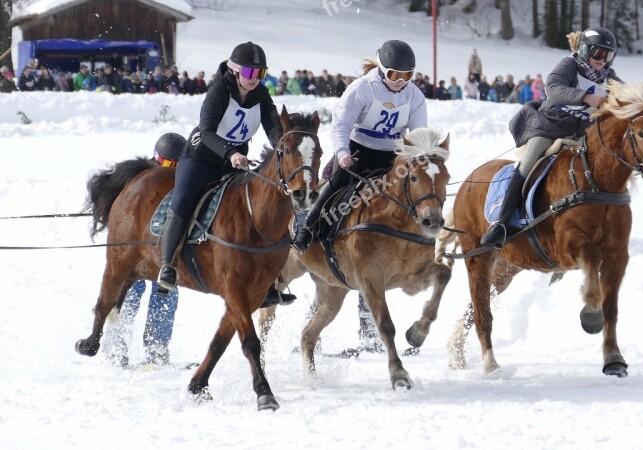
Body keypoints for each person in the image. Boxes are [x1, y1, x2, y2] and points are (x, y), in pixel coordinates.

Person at [156, 42, 280, 295]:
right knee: (182, 200)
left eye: (261, 74)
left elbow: (275, 131)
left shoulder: (263, 96)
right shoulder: (219, 90)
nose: (255, 79)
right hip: (200, 159)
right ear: (235, 71)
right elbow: (207, 131)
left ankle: (263, 280)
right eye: (249, 73)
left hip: (234, 164)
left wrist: (287, 150)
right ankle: (168, 265)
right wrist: (231, 152)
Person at [482, 27, 623, 248]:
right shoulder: (570, 64)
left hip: (582, 134)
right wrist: (587, 97)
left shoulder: (609, 77)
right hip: (550, 127)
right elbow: (554, 89)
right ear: (585, 50)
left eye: (608, 56)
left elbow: (626, 95)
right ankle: (501, 223)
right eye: (598, 54)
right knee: (527, 164)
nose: (602, 60)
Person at [292, 39, 427, 253]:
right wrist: (343, 153)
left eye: (407, 75)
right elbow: (341, 124)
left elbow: (419, 134)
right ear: (383, 71)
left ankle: (423, 236)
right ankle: (307, 229)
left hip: (394, 154)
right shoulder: (362, 88)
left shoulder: (414, 96)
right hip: (358, 150)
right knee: (337, 183)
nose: (401, 81)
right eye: (394, 75)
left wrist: (420, 158)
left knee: (419, 187)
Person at [104, 133, 186, 367]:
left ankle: (156, 349)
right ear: (158, 159)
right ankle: (115, 348)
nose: (172, 169)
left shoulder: (182, 179)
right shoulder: (141, 176)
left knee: (166, 293)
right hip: (135, 252)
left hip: (163, 251)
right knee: (129, 292)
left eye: (178, 165)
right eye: (169, 164)